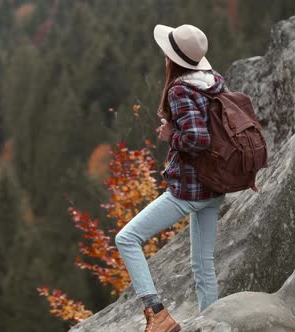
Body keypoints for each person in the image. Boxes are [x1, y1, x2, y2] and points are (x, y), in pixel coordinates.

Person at [115, 23, 227, 332]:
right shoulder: (215, 81)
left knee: (126, 238)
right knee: (203, 265)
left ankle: (157, 314)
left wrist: (171, 133)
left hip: (189, 190)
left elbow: (198, 138)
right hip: (214, 187)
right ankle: (210, 323)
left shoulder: (181, 89)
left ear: (173, 59)